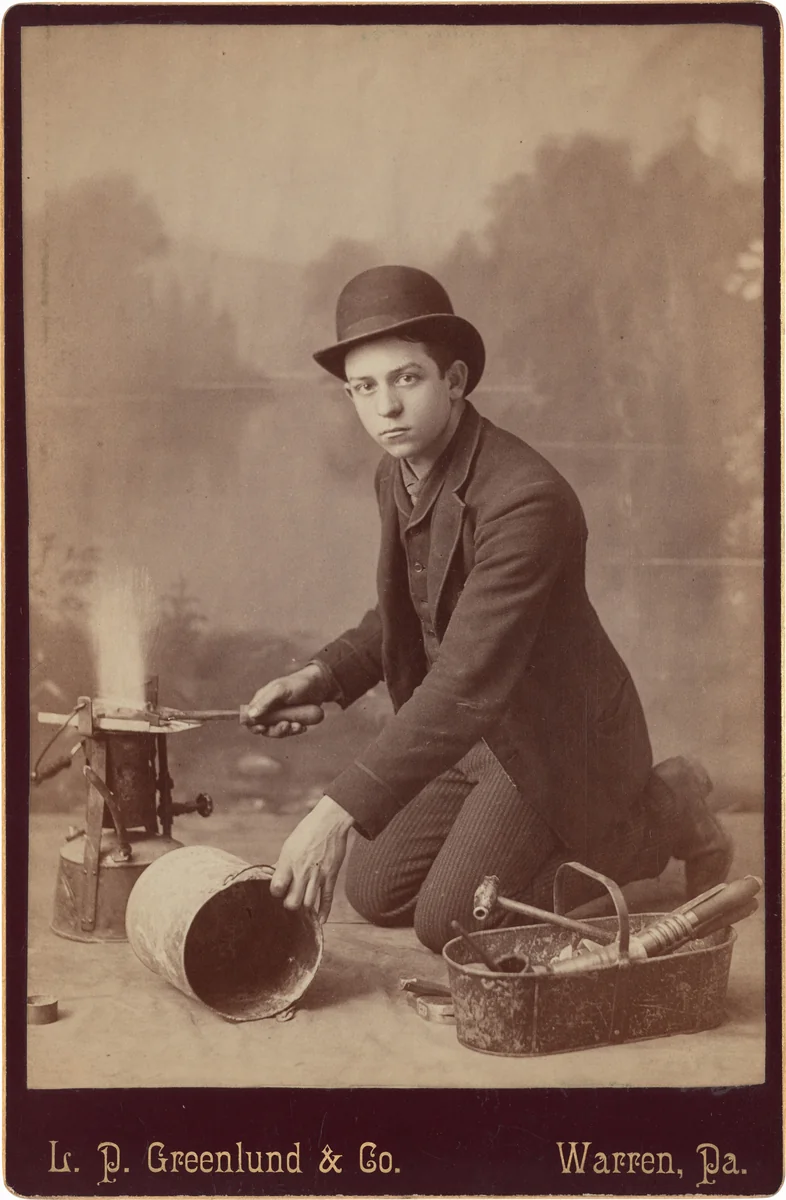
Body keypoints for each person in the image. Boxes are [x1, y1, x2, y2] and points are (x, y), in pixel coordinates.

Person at [244, 265, 732, 953]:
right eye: (364, 387)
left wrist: (332, 813)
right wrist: (323, 679)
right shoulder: (399, 472)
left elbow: (466, 675)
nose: (385, 408)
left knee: (448, 923)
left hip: (555, 740)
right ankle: (557, 837)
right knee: (374, 891)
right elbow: (412, 609)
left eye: (406, 379)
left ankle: (662, 814)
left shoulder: (527, 498)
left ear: (455, 381)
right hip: (471, 733)